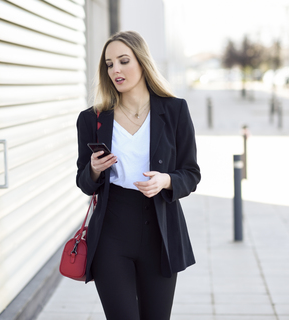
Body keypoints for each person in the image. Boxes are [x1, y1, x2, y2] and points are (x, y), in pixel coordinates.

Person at [75, 31, 201, 319]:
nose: (115, 70)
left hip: (160, 233)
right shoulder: (92, 118)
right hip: (111, 232)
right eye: (109, 64)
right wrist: (94, 170)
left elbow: (191, 173)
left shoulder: (174, 110)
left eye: (123, 61)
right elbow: (84, 183)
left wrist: (166, 180)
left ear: (142, 63)